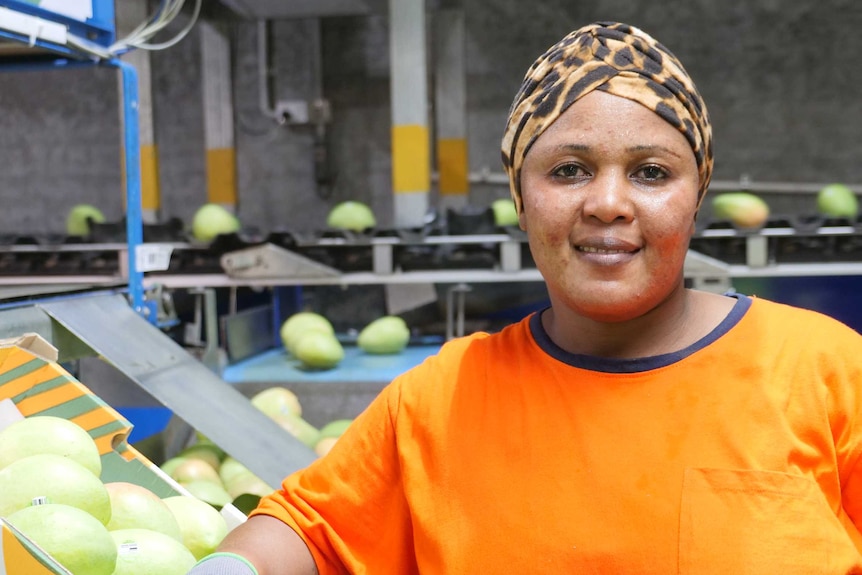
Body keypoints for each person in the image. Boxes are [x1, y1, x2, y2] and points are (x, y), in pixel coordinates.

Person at [188, 21, 862, 574]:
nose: (607, 203)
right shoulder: (441, 400)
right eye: (568, 170)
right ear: (519, 195)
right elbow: (311, 531)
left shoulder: (826, 370)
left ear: (697, 195)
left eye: (651, 172)